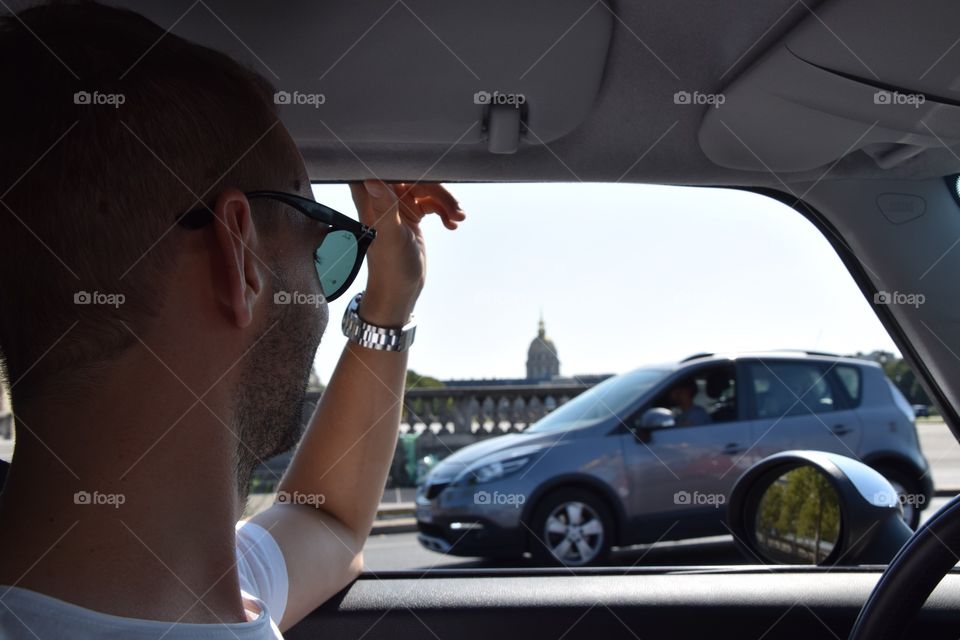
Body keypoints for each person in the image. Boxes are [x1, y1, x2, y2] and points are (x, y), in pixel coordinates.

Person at [0, 2, 465, 638]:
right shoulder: (207, 590)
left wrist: (389, 299)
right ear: (240, 254)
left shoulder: (208, 581)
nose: (323, 296)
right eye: (319, 242)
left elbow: (328, 518)